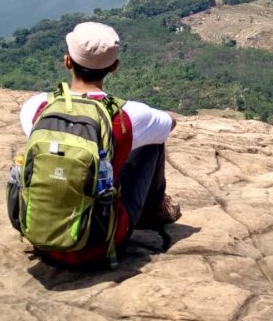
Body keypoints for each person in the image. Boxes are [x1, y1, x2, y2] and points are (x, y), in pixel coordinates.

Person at [18, 21, 181, 266]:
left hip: (40, 237)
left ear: (67, 61)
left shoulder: (37, 108)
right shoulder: (128, 116)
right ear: (114, 67)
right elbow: (170, 124)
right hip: (101, 242)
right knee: (152, 144)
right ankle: (154, 211)